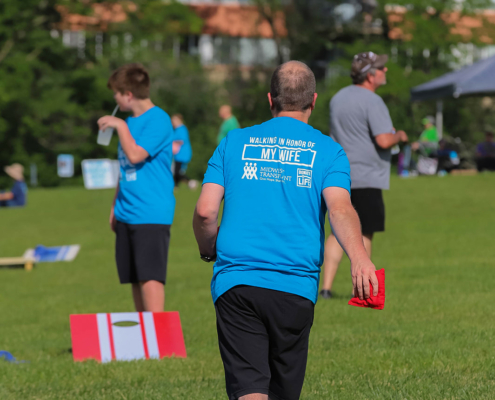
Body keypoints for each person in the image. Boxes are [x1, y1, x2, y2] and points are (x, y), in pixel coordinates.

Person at [193, 61, 378, 400]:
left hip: (238, 282)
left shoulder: (234, 142)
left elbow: (205, 212)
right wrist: (360, 256)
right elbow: (340, 208)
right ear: (314, 100)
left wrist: (208, 249)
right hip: (295, 287)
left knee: (249, 388)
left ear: (270, 99)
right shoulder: (329, 151)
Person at [320, 51, 408, 299]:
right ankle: (362, 292)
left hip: (339, 175)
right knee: (364, 231)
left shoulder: (337, 98)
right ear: (370, 75)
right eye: (381, 68)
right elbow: (383, 139)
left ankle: (325, 287)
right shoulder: (373, 101)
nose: (385, 71)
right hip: (367, 176)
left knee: (338, 232)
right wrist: (399, 135)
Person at [97, 63, 175, 312]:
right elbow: (124, 170)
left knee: (150, 277)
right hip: (126, 212)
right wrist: (114, 207)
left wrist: (119, 126)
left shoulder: (159, 120)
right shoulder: (130, 122)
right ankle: (144, 339)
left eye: (116, 94)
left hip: (150, 212)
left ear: (128, 94)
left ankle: (157, 339)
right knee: (134, 277)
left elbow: (135, 156)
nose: (115, 100)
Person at [171, 114, 193, 187]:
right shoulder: (176, 129)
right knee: (177, 171)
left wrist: (172, 142)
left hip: (182, 153)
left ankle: (190, 182)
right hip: (177, 154)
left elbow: (182, 140)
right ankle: (176, 186)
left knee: (178, 171)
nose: (172, 122)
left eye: (174, 120)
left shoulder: (182, 129)